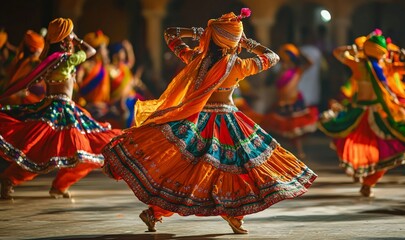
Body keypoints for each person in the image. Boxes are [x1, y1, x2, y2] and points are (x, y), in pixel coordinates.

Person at [102, 8, 317, 234]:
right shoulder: (237, 65)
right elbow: (272, 57)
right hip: (229, 123)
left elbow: (171, 34)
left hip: (197, 120)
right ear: (233, 42)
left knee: (186, 172)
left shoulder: (197, 59)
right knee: (236, 170)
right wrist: (248, 44)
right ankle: (234, 216)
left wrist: (201, 33)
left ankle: (155, 212)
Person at [0, 18, 122, 200]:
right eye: (69, 37)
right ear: (66, 39)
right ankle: (54, 185)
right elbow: (91, 51)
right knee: (87, 150)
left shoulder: (47, 60)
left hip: (53, 109)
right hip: (61, 110)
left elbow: (30, 81)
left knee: (42, 150)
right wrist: (78, 39)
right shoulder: (67, 60)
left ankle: (15, 180)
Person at [319, 32, 405, 197]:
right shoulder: (383, 66)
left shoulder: (362, 65)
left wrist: (353, 48)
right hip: (373, 115)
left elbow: (338, 53)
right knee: (386, 149)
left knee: (363, 146)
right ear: (383, 51)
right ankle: (367, 182)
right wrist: (401, 54)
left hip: (364, 114)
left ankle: (364, 179)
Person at [261, 43, 318, 159]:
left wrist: (299, 52)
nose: (286, 62)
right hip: (281, 103)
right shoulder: (279, 71)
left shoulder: (297, 70)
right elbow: (270, 83)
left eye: (288, 58)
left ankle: (299, 152)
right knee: (278, 130)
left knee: (295, 130)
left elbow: (310, 63)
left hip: (294, 102)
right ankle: (276, 153)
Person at [1, 30, 45, 105]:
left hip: (23, 106)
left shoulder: (34, 64)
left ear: (31, 48)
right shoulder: (19, 61)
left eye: (23, 43)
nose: (20, 45)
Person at [75, 30, 111, 120]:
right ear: (98, 50)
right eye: (104, 49)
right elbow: (77, 83)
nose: (107, 51)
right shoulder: (86, 66)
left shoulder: (104, 67)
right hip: (89, 107)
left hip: (103, 107)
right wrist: (85, 102)